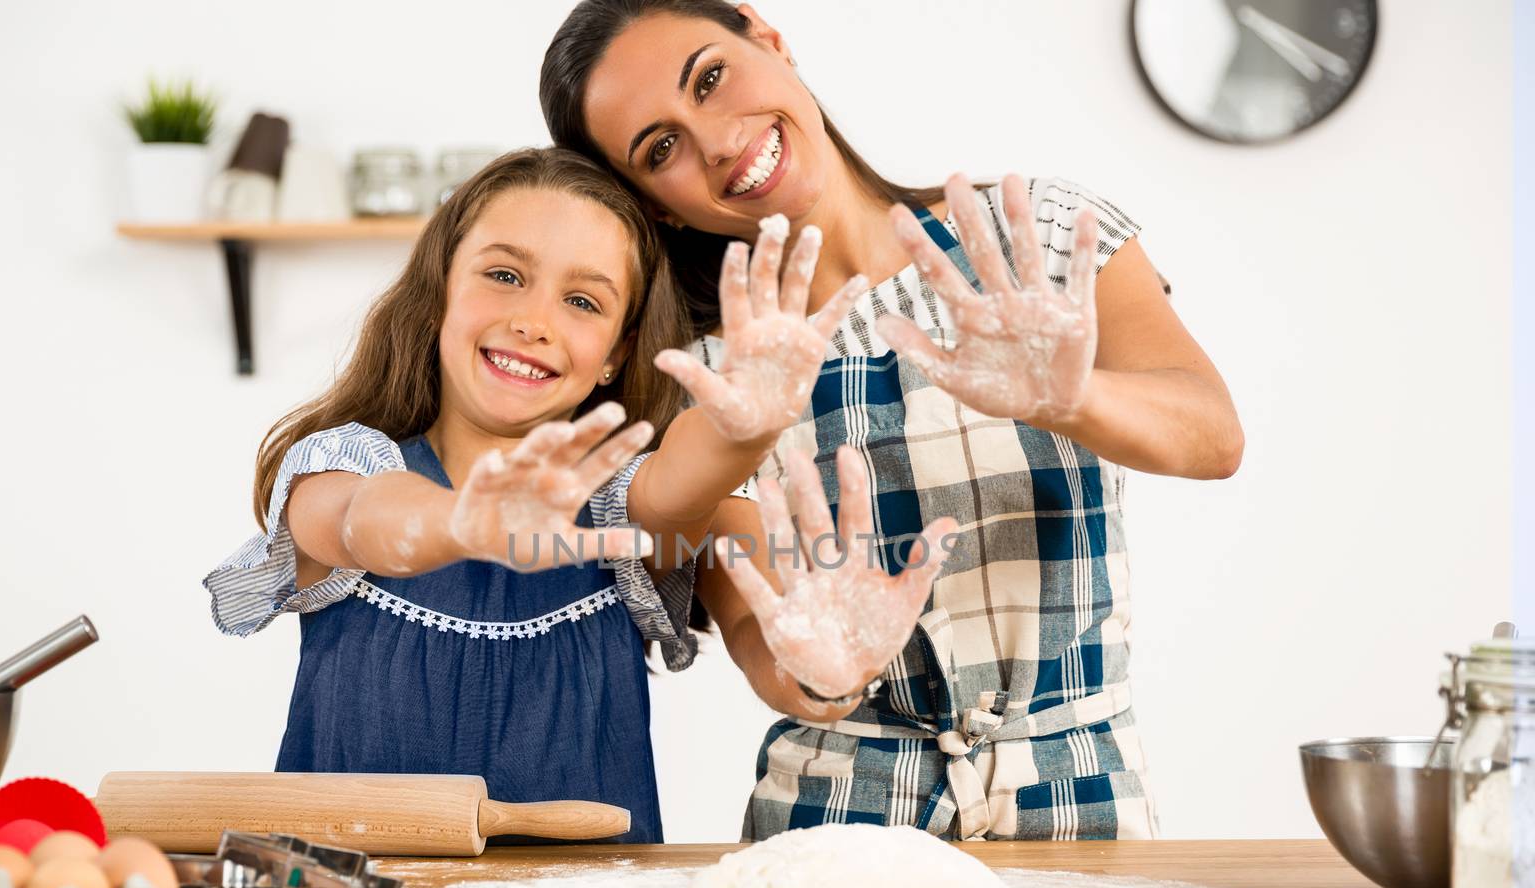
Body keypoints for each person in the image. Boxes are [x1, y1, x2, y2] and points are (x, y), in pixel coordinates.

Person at [541, 0, 1245, 841]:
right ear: (654, 205)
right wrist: (825, 674)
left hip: (1084, 810)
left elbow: (1214, 435)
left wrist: (1072, 397)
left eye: (712, 78)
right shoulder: (707, 379)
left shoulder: (1032, 240)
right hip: (835, 834)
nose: (719, 143)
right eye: (662, 149)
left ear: (768, 37)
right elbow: (754, 631)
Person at [203, 147, 873, 842]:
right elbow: (355, 522)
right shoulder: (346, 465)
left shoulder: (617, 502)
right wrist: (459, 523)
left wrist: (748, 425)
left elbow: (679, 487)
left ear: (618, 350)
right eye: (503, 275)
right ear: (439, 294)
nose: (534, 320)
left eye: (582, 300)